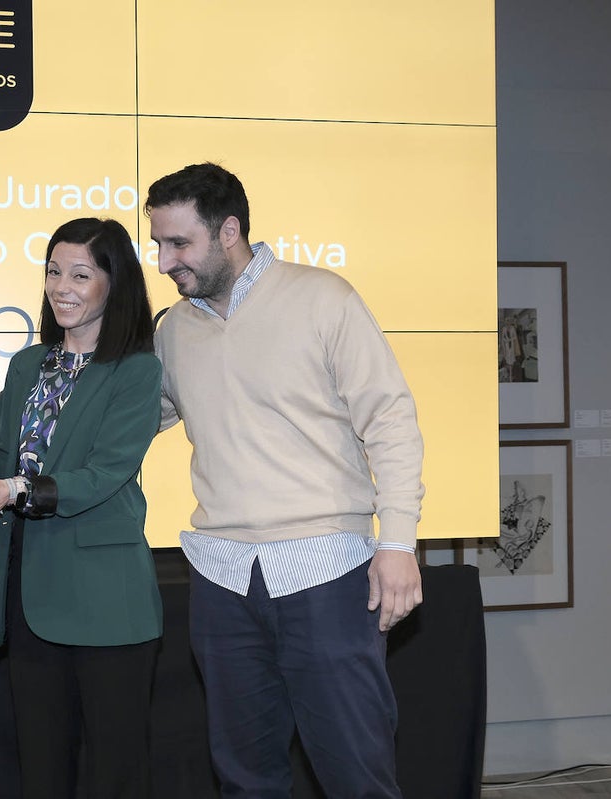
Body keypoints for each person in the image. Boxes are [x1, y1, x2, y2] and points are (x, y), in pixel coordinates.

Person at [145, 163, 425, 798]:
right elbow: (133, 422)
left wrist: (399, 543)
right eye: (159, 244)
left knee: (356, 774)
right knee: (245, 779)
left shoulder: (323, 298)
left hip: (327, 572)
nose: (164, 262)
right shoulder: (173, 330)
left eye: (178, 243)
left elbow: (390, 421)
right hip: (221, 580)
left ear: (230, 232)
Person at [0, 217, 163, 799]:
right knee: (41, 769)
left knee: (115, 773)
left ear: (113, 283)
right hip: (29, 595)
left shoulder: (137, 369)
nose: (62, 287)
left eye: (80, 274)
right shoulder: (28, 364)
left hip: (107, 599)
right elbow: (0, 456)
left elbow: (104, 472)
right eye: (53, 271)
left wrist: (17, 489)